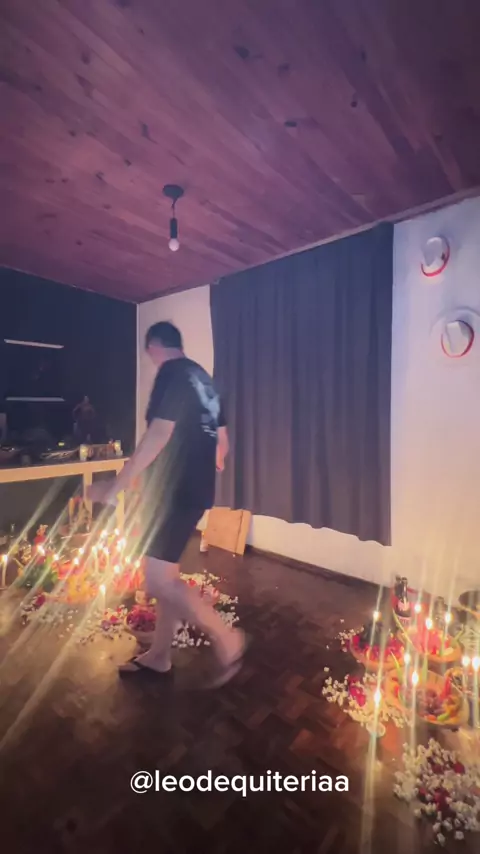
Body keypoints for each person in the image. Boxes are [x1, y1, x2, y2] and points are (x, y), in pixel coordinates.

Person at [87, 321, 245, 684]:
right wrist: (208, 462)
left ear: (154, 348)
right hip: (195, 490)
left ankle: (227, 637)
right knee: (166, 576)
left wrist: (116, 486)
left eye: (151, 355)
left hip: (174, 491)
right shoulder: (204, 381)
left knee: (158, 581)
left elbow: (158, 434)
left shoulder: (172, 373)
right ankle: (159, 656)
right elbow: (223, 444)